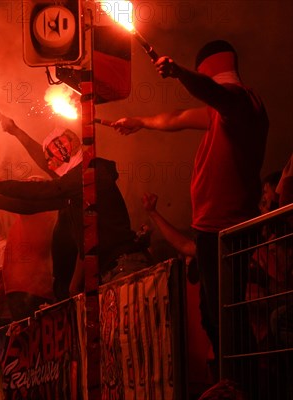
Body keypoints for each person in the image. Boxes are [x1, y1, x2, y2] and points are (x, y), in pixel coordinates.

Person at [112, 40, 269, 390]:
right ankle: (234, 383)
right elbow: (178, 118)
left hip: (227, 230)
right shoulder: (222, 112)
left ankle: (241, 387)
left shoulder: (241, 103)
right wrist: (140, 121)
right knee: (214, 314)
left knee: (226, 315)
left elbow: (212, 91)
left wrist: (179, 73)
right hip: (212, 231)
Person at [0, 118, 148, 300]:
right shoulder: (74, 189)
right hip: (110, 270)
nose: (49, 165)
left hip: (123, 265)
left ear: (64, 154)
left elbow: (41, 191)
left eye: (50, 158)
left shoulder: (86, 175)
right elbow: (30, 205)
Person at [0, 176, 58, 327]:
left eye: (32, 184)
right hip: (19, 292)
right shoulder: (23, 218)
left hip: (33, 291)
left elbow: (18, 200)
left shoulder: (38, 212)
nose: (26, 187)